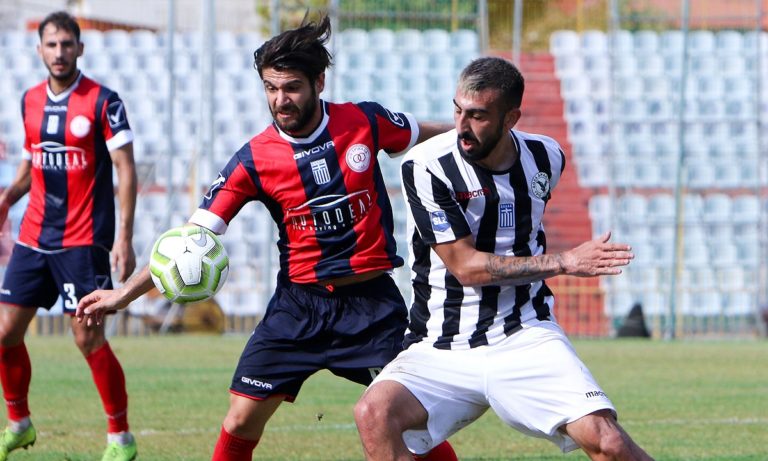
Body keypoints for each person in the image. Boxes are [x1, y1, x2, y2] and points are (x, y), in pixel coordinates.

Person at [76, 15, 458, 461]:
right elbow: (190, 239)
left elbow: (432, 135)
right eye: (271, 88)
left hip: (371, 307)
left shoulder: (364, 121)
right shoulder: (253, 159)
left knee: (411, 424)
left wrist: (477, 134)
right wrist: (122, 294)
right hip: (298, 308)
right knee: (240, 418)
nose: (280, 100)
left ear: (319, 82)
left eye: (292, 87)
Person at [353, 56, 655, 461]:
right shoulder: (426, 166)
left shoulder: (546, 157)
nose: (462, 126)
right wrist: (564, 261)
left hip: (523, 333)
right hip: (440, 345)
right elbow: (465, 267)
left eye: (478, 116)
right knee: (374, 413)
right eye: (458, 111)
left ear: (511, 118)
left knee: (609, 442)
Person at [0, 11, 138, 461]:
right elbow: (32, 164)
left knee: (87, 338)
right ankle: (19, 423)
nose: (59, 52)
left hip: (83, 239)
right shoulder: (29, 100)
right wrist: (7, 198)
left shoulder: (103, 101)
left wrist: (124, 238)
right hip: (34, 235)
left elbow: (125, 168)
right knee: (4, 331)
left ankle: (120, 438)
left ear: (80, 48)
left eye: (66, 44)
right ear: (39, 49)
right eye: (51, 44)